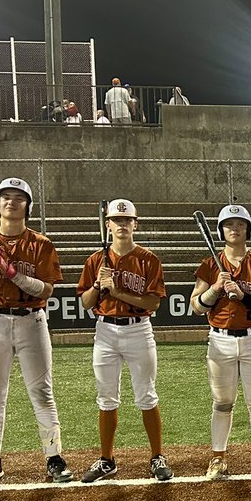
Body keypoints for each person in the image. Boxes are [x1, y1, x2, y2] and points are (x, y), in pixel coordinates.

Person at [0, 177, 75, 486]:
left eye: (18, 198)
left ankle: (54, 457)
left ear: (27, 206)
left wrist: (11, 272)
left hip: (31, 320)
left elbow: (46, 289)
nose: (11, 202)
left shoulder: (40, 244)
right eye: (5, 197)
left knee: (41, 391)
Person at [77, 199, 173, 483]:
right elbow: (85, 302)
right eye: (116, 220)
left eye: (126, 220)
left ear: (135, 224)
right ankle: (107, 460)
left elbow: (153, 302)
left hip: (138, 329)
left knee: (146, 395)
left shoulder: (148, 259)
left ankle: (157, 456)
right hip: (105, 331)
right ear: (108, 224)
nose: (121, 225)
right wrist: (97, 285)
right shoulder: (96, 260)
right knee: (106, 398)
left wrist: (117, 292)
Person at [190, 204, 251, 481]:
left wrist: (243, 296)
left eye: (240, 224)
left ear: (248, 229)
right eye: (229, 224)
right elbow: (197, 306)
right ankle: (218, 458)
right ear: (221, 230)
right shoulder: (209, 265)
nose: (234, 228)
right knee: (222, 401)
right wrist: (216, 289)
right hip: (220, 340)